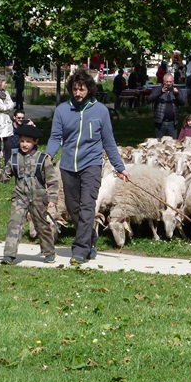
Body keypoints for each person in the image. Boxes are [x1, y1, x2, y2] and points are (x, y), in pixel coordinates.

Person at [47, 69, 130, 265]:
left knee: (87, 207)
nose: (78, 93)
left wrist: (120, 167)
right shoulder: (62, 110)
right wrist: (49, 154)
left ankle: (80, 249)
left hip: (91, 166)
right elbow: (55, 137)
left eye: (82, 89)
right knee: (72, 208)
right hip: (68, 166)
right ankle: (90, 238)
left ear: (89, 90)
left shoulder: (100, 111)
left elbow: (108, 141)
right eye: (75, 89)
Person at [0, 124, 59, 265]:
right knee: (14, 223)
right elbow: (6, 177)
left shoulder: (43, 159)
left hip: (39, 197)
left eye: (28, 141)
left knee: (41, 225)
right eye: (22, 141)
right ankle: (9, 255)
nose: (24, 144)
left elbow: (52, 181)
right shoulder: (14, 158)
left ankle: (49, 252)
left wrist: (52, 198)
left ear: (35, 142)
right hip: (20, 196)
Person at [148, 73, 187, 139]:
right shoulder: (158, 89)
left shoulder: (177, 90)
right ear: (163, 82)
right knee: (159, 143)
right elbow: (150, 99)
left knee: (173, 143)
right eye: (167, 81)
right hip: (160, 122)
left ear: (173, 82)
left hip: (172, 123)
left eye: (170, 82)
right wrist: (161, 92)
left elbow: (183, 103)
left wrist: (177, 94)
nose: (168, 83)